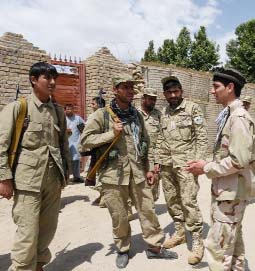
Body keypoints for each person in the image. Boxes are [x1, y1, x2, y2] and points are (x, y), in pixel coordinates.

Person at [80, 73, 176, 269]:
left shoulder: (137, 115)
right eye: (125, 87)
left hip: (138, 173)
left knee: (148, 210)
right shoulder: (102, 115)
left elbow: (146, 143)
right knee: (119, 215)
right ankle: (123, 248)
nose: (130, 91)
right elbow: (85, 141)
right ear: (115, 90)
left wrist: (149, 168)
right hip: (113, 176)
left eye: (132, 88)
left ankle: (154, 247)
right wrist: (111, 134)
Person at [185, 67, 255, 271]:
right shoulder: (230, 115)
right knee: (233, 243)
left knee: (218, 250)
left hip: (231, 194)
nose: (212, 91)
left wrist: (205, 167)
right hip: (227, 191)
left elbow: (238, 161)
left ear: (230, 87)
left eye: (216, 86)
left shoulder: (239, 118)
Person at [0, 62, 71, 271]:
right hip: (27, 182)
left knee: (48, 229)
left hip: (52, 181)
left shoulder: (58, 111)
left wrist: (64, 174)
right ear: (33, 80)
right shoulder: (18, 108)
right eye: (46, 78)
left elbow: (62, 145)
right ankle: (22, 268)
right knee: (27, 233)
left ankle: (39, 265)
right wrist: (4, 178)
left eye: (53, 78)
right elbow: (1, 144)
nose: (52, 82)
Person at [155, 75, 208, 265]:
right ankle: (179, 232)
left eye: (176, 91)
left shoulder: (192, 108)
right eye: (169, 92)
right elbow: (161, 138)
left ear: (181, 91)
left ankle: (197, 241)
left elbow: (201, 137)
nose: (173, 95)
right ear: (165, 94)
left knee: (188, 201)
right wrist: (157, 163)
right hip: (167, 165)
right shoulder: (164, 112)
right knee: (171, 200)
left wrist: (199, 162)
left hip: (187, 165)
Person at [138, 87, 162, 202]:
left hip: (154, 155)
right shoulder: (135, 113)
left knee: (153, 185)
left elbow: (162, 137)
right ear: (143, 98)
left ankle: (150, 209)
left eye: (154, 99)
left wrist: (158, 161)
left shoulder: (158, 114)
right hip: (138, 156)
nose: (152, 102)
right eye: (150, 99)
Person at [65, 104, 85, 183]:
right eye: (67, 109)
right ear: (65, 110)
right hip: (65, 143)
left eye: (70, 109)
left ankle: (76, 177)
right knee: (65, 161)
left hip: (75, 142)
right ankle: (65, 178)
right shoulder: (63, 119)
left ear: (73, 110)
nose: (69, 110)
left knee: (76, 160)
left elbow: (83, 130)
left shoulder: (77, 119)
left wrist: (83, 141)